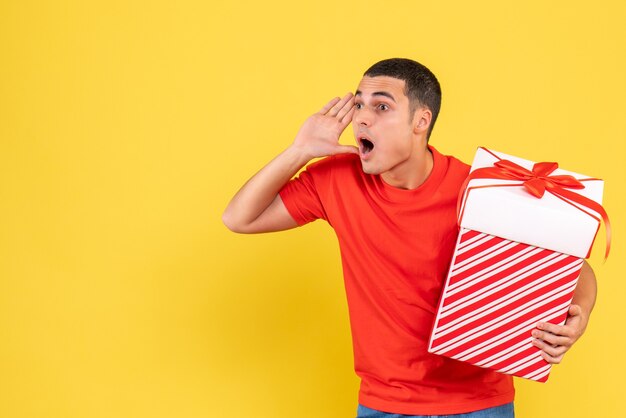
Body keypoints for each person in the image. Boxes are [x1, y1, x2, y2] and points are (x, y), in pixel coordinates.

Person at [222, 58, 597, 417]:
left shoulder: (481, 189)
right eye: (359, 105)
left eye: (381, 107)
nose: (362, 117)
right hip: (383, 405)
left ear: (421, 121)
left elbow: (577, 269)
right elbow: (239, 218)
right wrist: (299, 151)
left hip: (479, 404)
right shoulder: (336, 179)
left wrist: (576, 322)